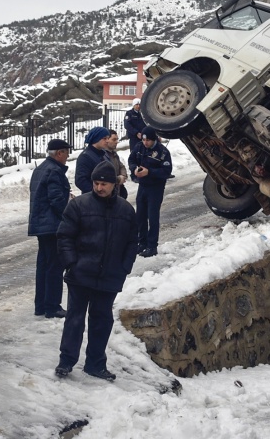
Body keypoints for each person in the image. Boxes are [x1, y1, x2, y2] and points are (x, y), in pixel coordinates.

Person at [55, 163, 139, 381]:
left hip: (110, 275)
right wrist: (71, 263)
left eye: (104, 184)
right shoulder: (79, 206)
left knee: (101, 321)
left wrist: (124, 268)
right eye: (96, 183)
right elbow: (64, 236)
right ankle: (66, 361)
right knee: (75, 319)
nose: (99, 187)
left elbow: (132, 242)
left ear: (114, 184)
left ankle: (95, 364)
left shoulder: (126, 211)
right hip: (80, 273)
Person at [27, 138, 72, 319]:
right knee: (55, 266)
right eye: (66, 153)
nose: (68, 157)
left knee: (44, 265)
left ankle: (41, 305)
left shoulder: (41, 169)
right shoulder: (54, 171)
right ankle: (52, 306)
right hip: (52, 226)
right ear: (59, 153)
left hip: (42, 225)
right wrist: (68, 216)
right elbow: (56, 200)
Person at [128, 127, 172, 257]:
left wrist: (150, 172)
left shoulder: (163, 152)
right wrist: (134, 169)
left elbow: (166, 171)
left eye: (148, 140)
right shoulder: (139, 147)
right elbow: (131, 160)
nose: (145, 143)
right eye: (144, 139)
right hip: (142, 186)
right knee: (140, 216)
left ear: (154, 139)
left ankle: (152, 246)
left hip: (155, 187)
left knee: (152, 216)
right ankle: (142, 242)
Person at [75, 126, 121, 194]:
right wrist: (97, 193)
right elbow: (80, 181)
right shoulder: (85, 156)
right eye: (104, 138)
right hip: (93, 199)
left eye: (108, 138)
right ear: (96, 139)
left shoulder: (103, 153)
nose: (107, 141)